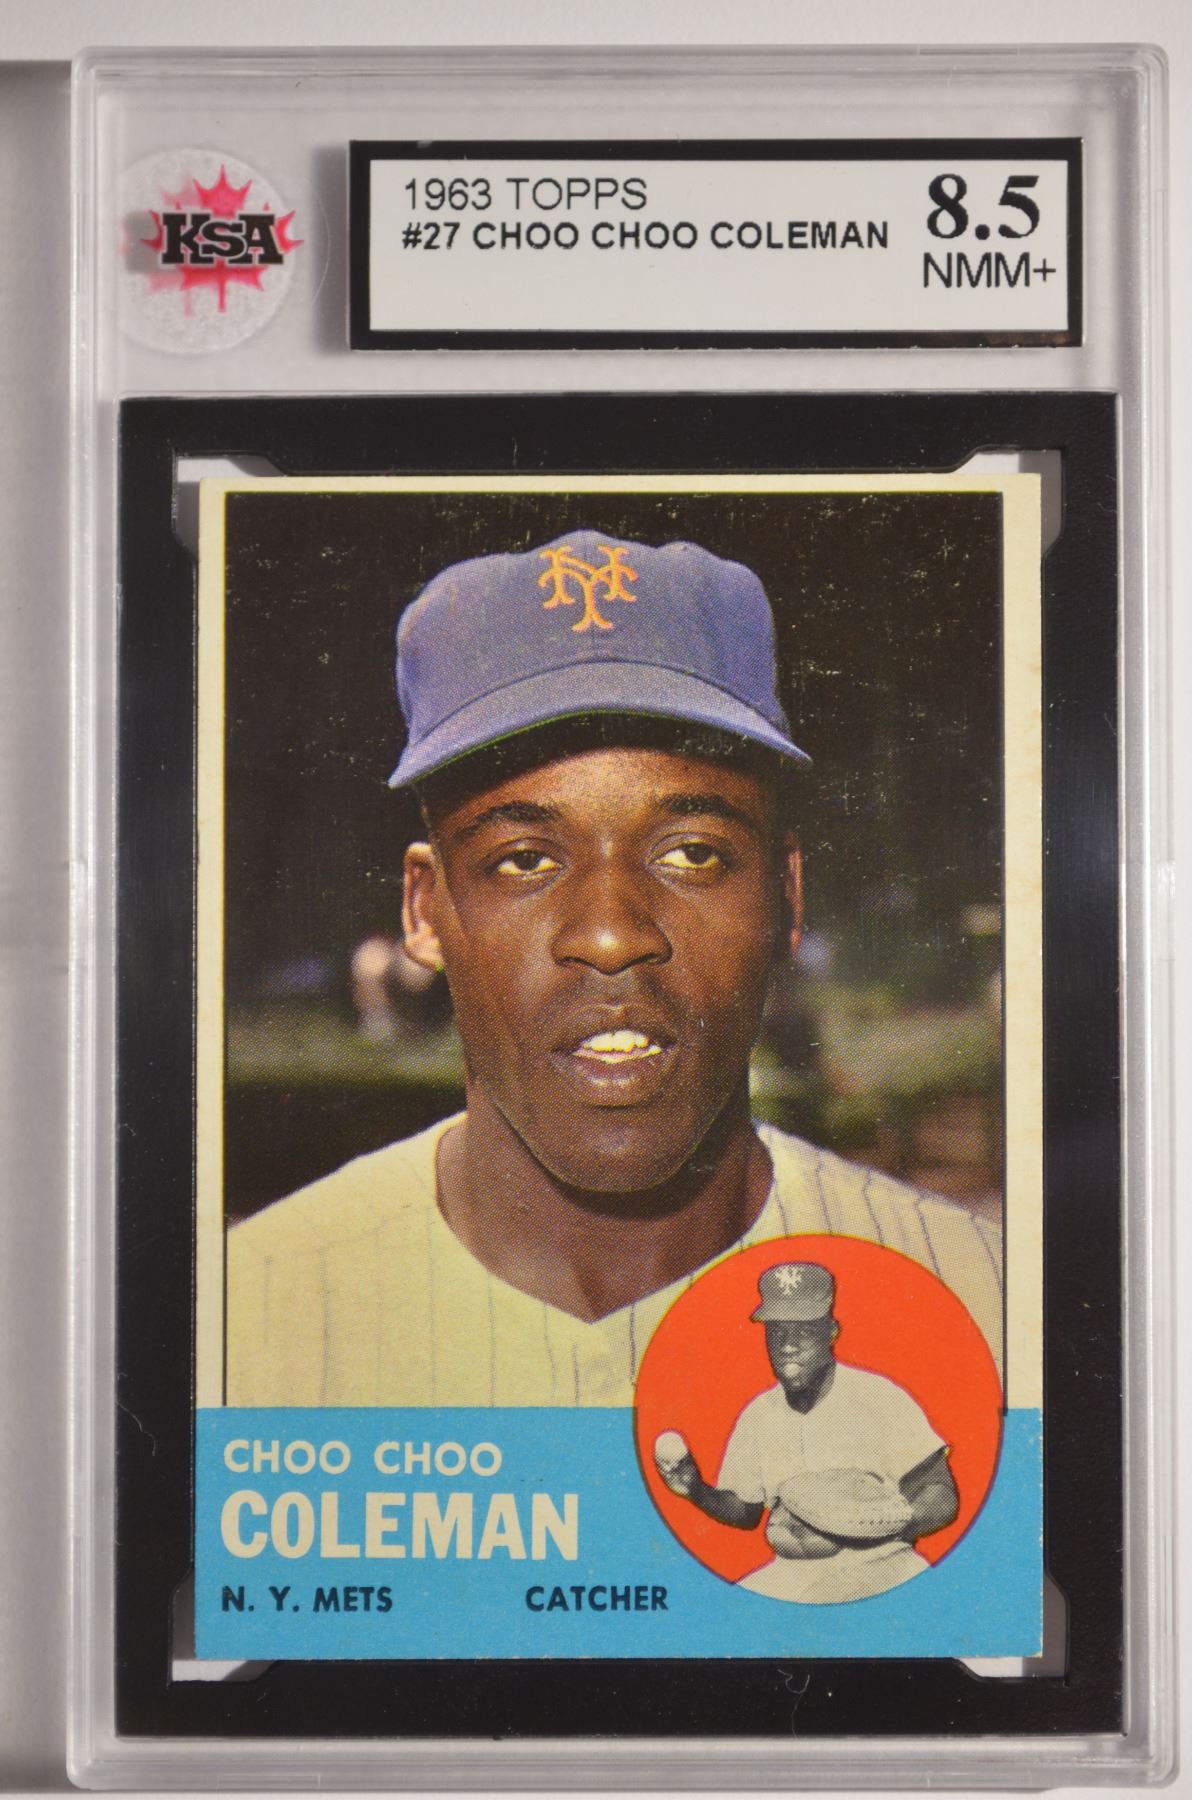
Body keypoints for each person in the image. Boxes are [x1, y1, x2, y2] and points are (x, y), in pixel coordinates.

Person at [226, 532, 1003, 1405]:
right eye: (524, 860)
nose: (609, 935)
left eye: (693, 853)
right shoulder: (240, 1322)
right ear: (425, 910)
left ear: (785, 896)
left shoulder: (986, 1313)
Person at [655, 1261, 958, 1604]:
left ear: (831, 1331)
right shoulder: (758, 1415)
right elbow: (746, 1511)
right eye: (777, 1331)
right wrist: (695, 1490)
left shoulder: (878, 1397)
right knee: (725, 1614)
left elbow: (940, 1493)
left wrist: (881, 1524)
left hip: (882, 1562)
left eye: (804, 1330)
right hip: (793, 1573)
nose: (788, 1344)